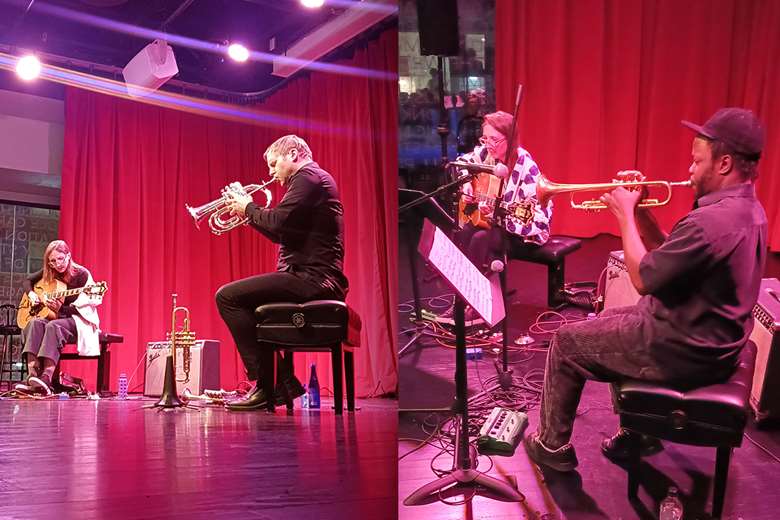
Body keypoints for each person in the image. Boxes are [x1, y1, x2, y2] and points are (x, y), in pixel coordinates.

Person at [523, 107, 767, 472]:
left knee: (566, 341)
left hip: (682, 348)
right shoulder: (748, 210)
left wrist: (623, 214)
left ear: (725, 164)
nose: (688, 170)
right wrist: (640, 212)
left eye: (695, 162)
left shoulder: (711, 221)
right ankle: (639, 429)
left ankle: (551, 447)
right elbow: (668, 258)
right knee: (608, 320)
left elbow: (644, 278)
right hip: (711, 340)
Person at [216, 135, 349, 411]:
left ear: (293, 154)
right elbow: (281, 232)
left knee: (227, 297)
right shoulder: (310, 180)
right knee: (244, 303)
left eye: (274, 164)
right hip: (307, 276)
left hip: (313, 279)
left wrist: (248, 207)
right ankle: (280, 383)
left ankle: (272, 384)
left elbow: (278, 224)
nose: (270, 173)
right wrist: (248, 213)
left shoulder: (309, 176)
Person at [438, 110, 552, 326]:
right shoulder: (486, 155)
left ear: (510, 139)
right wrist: (466, 185)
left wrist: (500, 215)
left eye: (494, 139)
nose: (487, 144)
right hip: (494, 224)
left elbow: (538, 220)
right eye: (485, 138)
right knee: (467, 231)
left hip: (521, 231)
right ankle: (465, 298)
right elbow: (462, 163)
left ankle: (473, 303)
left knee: (481, 239)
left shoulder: (526, 168)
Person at [17, 240, 102, 396]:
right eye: (53, 261)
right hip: (55, 318)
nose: (58, 264)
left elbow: (88, 307)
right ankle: (32, 376)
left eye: (61, 259)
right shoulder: (51, 272)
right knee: (34, 323)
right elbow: (27, 281)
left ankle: (46, 377)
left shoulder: (81, 275)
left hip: (77, 320)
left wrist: (61, 308)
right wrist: (32, 295)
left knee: (53, 326)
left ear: (68, 256)